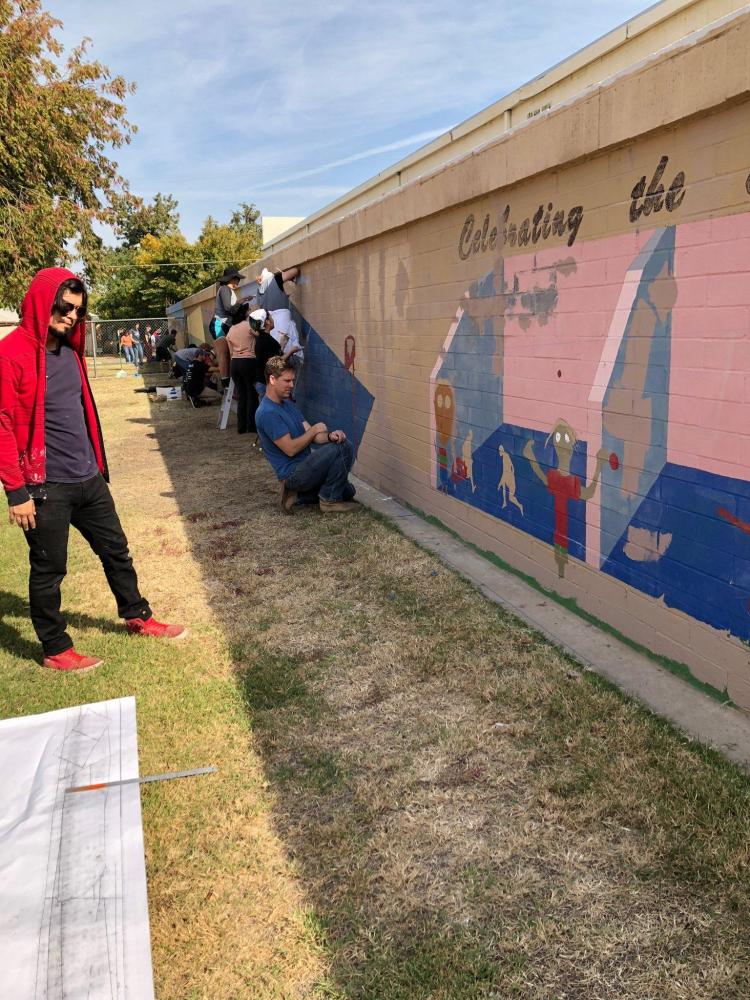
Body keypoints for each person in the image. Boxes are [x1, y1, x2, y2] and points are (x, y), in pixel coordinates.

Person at [0, 268, 186, 672]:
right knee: (50, 569)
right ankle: (55, 648)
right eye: (64, 307)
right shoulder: (10, 353)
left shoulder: (70, 353)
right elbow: (3, 424)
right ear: (42, 302)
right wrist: (16, 492)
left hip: (88, 477)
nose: (71, 316)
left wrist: (96, 466)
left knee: (116, 551)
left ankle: (137, 616)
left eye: (78, 311)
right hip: (45, 487)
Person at [256, 355, 359, 515]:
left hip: (305, 467)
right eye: (287, 381)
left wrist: (330, 436)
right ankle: (328, 502)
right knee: (344, 447)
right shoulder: (267, 413)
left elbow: (314, 436)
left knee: (348, 491)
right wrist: (314, 430)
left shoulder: (287, 404)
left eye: (292, 380)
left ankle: (298, 495)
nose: (291, 385)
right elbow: (291, 449)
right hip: (292, 474)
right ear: (272, 379)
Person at [226, 305, 262, 435]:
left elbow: (230, 351)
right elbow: (259, 336)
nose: (250, 311)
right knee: (252, 394)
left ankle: (241, 427)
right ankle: (251, 426)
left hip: (235, 363)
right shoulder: (248, 325)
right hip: (248, 361)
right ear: (245, 313)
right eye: (249, 310)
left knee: (242, 395)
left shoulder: (231, 329)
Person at [211, 267, 247, 389]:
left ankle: (229, 380)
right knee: (223, 354)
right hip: (219, 324)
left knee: (228, 354)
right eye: (237, 279)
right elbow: (228, 308)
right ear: (232, 279)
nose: (238, 282)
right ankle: (225, 382)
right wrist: (241, 302)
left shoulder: (228, 290)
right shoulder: (225, 289)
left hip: (226, 324)